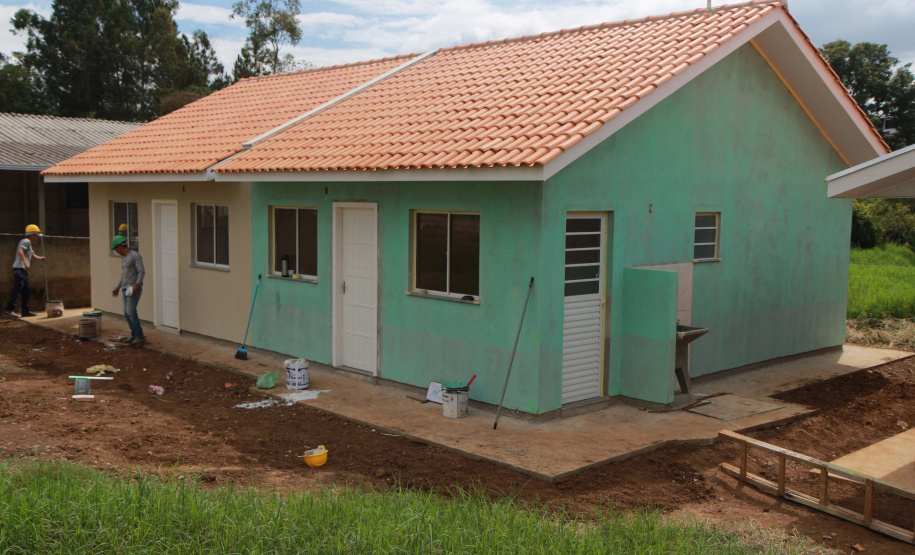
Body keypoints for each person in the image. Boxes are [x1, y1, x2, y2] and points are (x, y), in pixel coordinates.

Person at [4, 224, 46, 318]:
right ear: (32, 235)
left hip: (22, 271)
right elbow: (20, 251)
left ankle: (25, 310)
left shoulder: (28, 243)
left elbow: (32, 254)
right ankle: (9, 309)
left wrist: (40, 258)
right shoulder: (26, 241)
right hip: (20, 269)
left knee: (26, 291)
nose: (38, 237)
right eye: (37, 235)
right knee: (17, 289)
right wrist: (25, 263)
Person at [110, 235, 146, 346]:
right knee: (126, 313)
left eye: (116, 249)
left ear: (120, 246)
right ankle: (134, 334)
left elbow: (141, 271)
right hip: (125, 288)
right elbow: (124, 275)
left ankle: (139, 336)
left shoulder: (135, 256)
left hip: (133, 289)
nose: (116, 252)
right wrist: (118, 286)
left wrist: (137, 285)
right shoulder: (124, 259)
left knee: (131, 312)